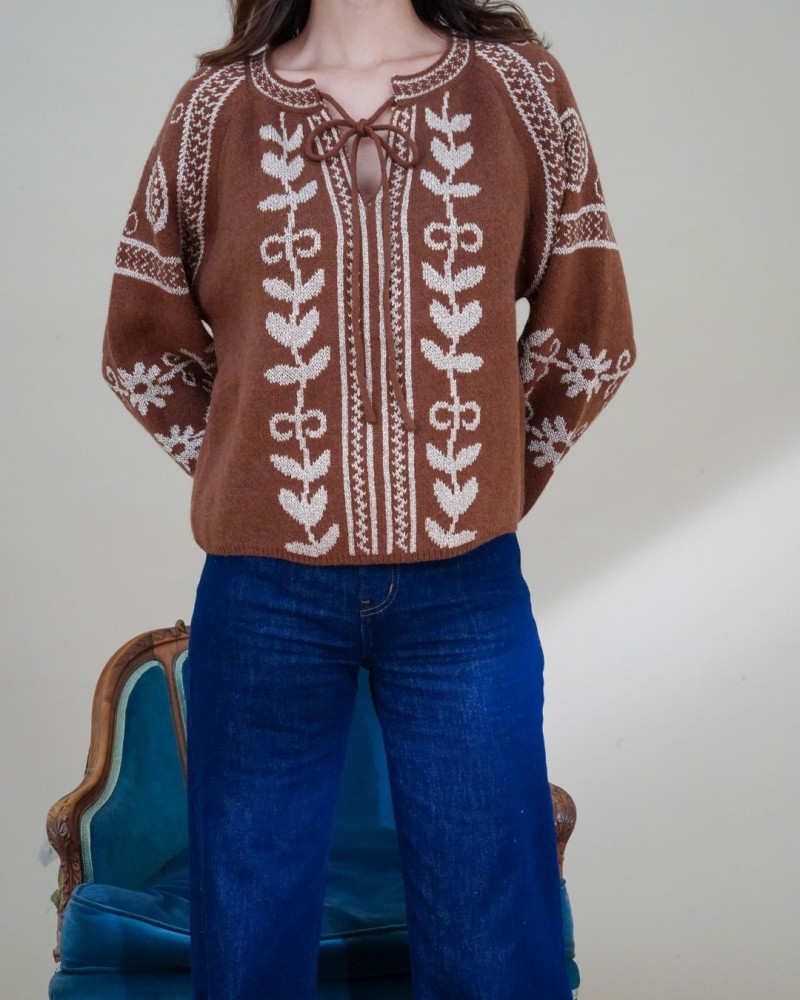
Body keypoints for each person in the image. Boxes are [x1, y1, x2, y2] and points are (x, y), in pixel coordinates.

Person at [100, 0, 637, 996]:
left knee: (493, 944)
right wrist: (262, 480)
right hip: (261, 593)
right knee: (248, 946)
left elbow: (591, 333)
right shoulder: (212, 110)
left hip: (464, 594)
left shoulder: (519, 89)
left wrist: (476, 483)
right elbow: (141, 343)